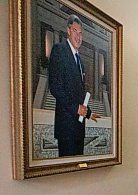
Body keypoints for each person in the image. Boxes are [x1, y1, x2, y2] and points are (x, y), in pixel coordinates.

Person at [48, 14, 100, 157]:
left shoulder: (80, 62)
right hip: (66, 128)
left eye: (80, 33)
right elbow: (55, 87)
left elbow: (78, 93)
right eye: (75, 31)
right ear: (68, 31)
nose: (79, 36)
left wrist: (88, 113)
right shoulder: (59, 50)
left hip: (79, 128)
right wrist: (76, 108)